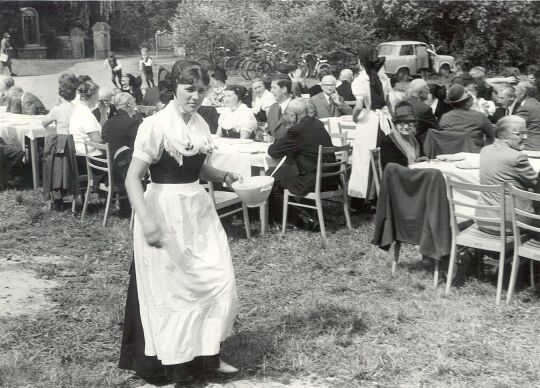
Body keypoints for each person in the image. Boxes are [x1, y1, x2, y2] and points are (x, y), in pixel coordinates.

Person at [119, 60, 241, 384]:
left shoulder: (201, 123)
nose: (196, 96)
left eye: (201, 90)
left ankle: (208, 356)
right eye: (190, 88)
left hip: (197, 209)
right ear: (174, 87)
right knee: (175, 289)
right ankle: (177, 366)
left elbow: (199, 169)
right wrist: (146, 222)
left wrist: (226, 176)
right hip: (164, 209)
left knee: (217, 278)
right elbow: (132, 178)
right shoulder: (155, 125)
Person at [267, 98, 337, 230]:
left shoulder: (297, 130)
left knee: (274, 185)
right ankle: (307, 214)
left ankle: (305, 220)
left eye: (289, 114)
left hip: (313, 180)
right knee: (299, 173)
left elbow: (273, 151)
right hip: (331, 178)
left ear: (293, 115)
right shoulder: (318, 124)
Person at [476, 116, 538, 235]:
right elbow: (535, 184)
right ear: (504, 136)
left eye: (526, 133)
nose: (525, 137)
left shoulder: (485, 150)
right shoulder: (517, 157)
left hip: (484, 220)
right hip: (511, 225)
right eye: (519, 134)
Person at [348, 44, 392, 199]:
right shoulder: (383, 78)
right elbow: (388, 102)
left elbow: (359, 106)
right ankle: (380, 194)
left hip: (368, 121)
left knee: (363, 158)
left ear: (361, 60)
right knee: (381, 156)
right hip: (383, 120)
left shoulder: (360, 80)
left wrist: (354, 118)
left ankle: (365, 196)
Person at [439, 84, 495, 151]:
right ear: (468, 101)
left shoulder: (445, 118)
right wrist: (484, 150)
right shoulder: (479, 116)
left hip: (452, 156)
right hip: (474, 156)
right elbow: (492, 136)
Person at [101, 92, 141, 185]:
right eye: (134, 103)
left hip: (108, 171)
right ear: (129, 105)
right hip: (122, 172)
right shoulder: (131, 123)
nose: (135, 105)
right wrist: (137, 116)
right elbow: (140, 143)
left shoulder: (107, 123)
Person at [380, 101, 424, 169]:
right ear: (395, 124)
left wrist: (422, 160)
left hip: (416, 174)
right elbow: (391, 168)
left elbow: (421, 161)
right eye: (402, 123)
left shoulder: (416, 140)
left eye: (409, 123)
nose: (406, 127)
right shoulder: (387, 141)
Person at [68, 80, 103, 168]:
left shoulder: (77, 110)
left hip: (78, 156)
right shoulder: (86, 114)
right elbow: (97, 141)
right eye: (98, 95)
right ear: (94, 96)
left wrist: (103, 111)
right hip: (88, 159)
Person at [404, 79, 440, 146]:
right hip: (418, 144)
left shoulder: (401, 103)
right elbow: (437, 129)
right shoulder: (425, 108)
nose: (429, 90)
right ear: (420, 93)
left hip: (402, 142)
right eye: (427, 88)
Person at [266, 75, 294, 140]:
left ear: (284, 89)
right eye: (271, 88)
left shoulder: (298, 108)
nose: (271, 91)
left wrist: (274, 140)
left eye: (274, 88)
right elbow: (270, 131)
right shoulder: (273, 108)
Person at [515, 81, 540, 150]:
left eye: (516, 90)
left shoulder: (525, 107)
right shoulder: (536, 104)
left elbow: (513, 126)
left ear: (523, 93)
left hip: (530, 148)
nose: (515, 93)